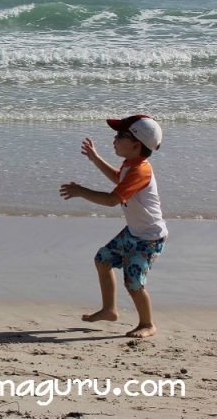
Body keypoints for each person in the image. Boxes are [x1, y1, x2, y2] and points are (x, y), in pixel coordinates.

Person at [60, 115, 166, 338]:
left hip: (148, 238)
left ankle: (147, 323)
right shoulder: (131, 164)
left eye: (120, 136)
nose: (114, 139)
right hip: (134, 232)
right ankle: (109, 310)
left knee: (134, 283)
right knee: (103, 259)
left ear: (136, 145)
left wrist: (81, 191)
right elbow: (119, 179)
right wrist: (95, 158)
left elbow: (111, 200)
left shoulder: (140, 171)